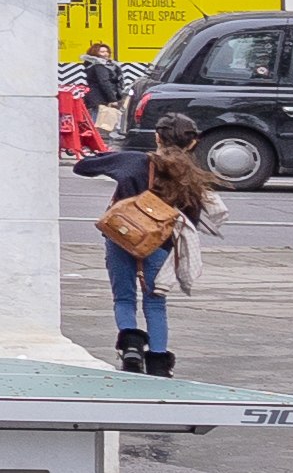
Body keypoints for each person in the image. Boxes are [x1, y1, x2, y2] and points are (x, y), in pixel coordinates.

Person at [81, 115, 215, 375]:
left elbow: (83, 166)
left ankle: (131, 348)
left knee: (123, 297)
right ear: (192, 144)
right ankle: (158, 362)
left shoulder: (133, 161)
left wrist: (112, 161)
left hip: (120, 237)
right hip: (159, 245)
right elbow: (191, 220)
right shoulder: (191, 177)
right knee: (155, 302)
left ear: (157, 137)